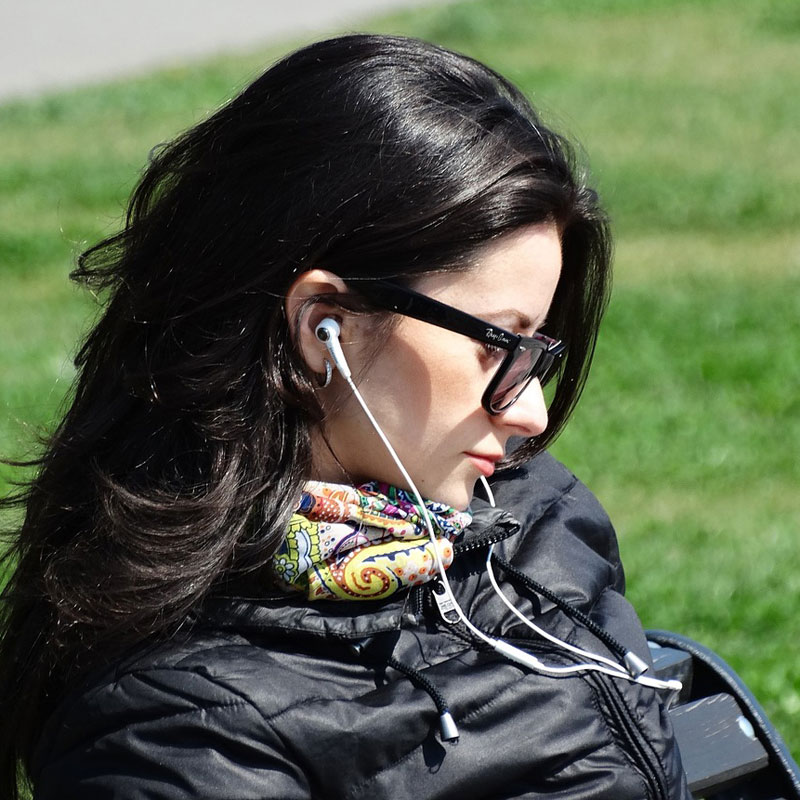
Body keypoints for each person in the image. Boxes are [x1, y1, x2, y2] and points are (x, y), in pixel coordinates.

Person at [0, 34, 689, 798]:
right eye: (498, 346)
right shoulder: (170, 730)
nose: (530, 413)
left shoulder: (530, 514)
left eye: (538, 353)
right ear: (322, 326)